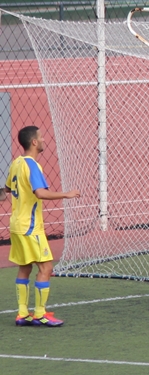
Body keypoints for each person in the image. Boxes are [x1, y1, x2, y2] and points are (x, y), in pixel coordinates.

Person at [4, 126, 80, 327]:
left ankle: (22, 314)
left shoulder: (16, 164)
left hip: (16, 225)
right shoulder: (32, 166)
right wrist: (66, 194)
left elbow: (7, 190)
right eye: (41, 137)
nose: (44, 139)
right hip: (30, 227)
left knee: (25, 267)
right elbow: (40, 193)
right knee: (46, 267)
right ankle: (40, 314)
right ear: (34, 142)